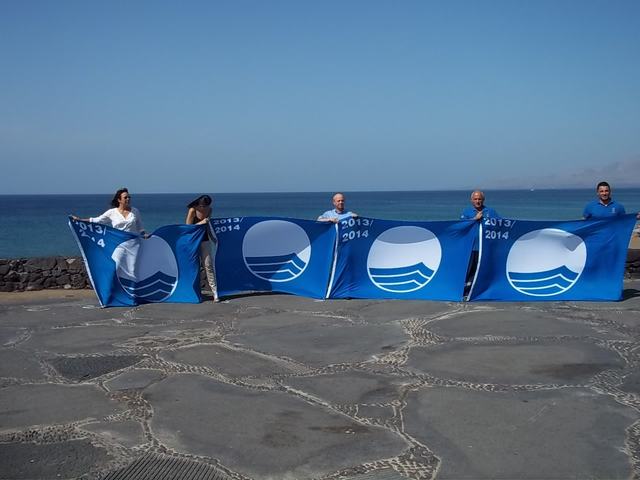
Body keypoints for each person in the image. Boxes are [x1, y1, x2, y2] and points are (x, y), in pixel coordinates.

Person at [71, 188, 147, 235]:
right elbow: (97, 220)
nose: (128, 199)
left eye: (129, 197)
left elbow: (140, 227)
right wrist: (80, 220)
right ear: (119, 200)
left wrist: (144, 234)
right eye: (125, 197)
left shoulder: (135, 211)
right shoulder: (112, 212)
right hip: (119, 244)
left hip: (133, 244)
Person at [186, 194, 219, 302]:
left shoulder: (209, 210)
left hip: (205, 240)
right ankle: (194, 291)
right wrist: (201, 222)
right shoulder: (192, 210)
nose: (204, 208)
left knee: (208, 265)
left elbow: (208, 225)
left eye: (206, 206)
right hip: (194, 241)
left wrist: (214, 238)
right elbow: (188, 228)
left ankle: (215, 292)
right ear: (199, 204)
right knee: (194, 266)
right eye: (202, 206)